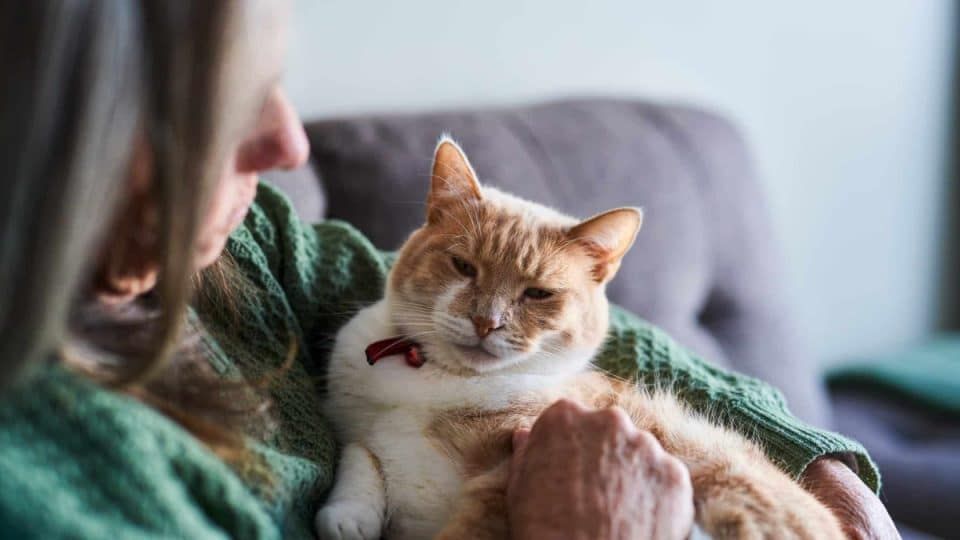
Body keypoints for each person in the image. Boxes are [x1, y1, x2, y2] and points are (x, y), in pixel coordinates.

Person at [0, 1, 897, 539]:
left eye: (275, 84)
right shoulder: (44, 474)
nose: (289, 143)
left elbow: (624, 345)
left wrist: (821, 468)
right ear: (55, 123)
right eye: (223, 101)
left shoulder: (242, 241)